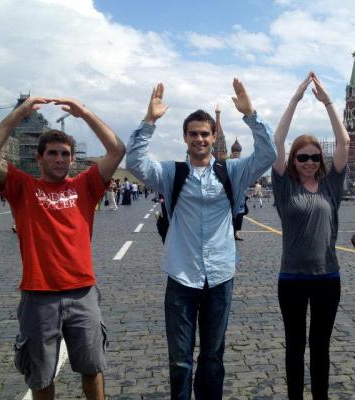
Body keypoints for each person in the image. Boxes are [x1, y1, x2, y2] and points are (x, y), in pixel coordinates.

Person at [126, 79, 276, 400]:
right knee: (180, 360)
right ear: (185, 137)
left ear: (214, 137)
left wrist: (251, 115)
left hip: (220, 276)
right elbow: (135, 163)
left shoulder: (231, 172)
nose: (199, 138)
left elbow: (268, 154)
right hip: (181, 276)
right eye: (193, 133)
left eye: (205, 133)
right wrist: (149, 121)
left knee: (212, 358)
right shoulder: (172, 173)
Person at [0, 96, 125, 400]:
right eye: (53, 153)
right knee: (41, 376)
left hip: (82, 292)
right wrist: (19, 113)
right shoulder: (23, 187)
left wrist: (84, 112)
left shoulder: (85, 186)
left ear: (72, 160)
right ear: (40, 158)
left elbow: (116, 150)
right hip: (38, 295)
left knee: (93, 368)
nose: (59, 159)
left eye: (65, 154)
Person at [272, 72, 349, 399]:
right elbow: (277, 140)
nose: (308, 162)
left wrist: (328, 102)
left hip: (326, 277)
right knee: (294, 348)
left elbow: (344, 142)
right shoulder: (284, 186)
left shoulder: (332, 184)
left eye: (314, 157)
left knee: (320, 347)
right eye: (302, 157)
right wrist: (296, 98)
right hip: (291, 278)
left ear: (321, 160)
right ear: (294, 160)